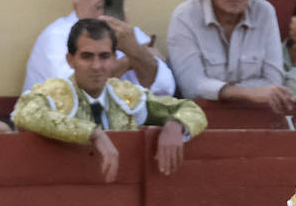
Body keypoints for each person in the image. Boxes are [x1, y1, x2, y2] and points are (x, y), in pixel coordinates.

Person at [14, 19, 207, 182]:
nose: (96, 66)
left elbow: (191, 110)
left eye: (104, 56)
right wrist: (92, 133)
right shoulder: (54, 93)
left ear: (114, 59)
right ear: (70, 60)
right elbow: (25, 112)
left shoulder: (126, 95)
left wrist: (175, 125)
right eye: (87, 57)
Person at [167, 0, 294, 113]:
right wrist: (249, 93)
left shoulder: (264, 13)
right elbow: (192, 86)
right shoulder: (185, 16)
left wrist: (221, 91)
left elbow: (273, 80)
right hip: (198, 117)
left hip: (253, 115)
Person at [23, 0, 174, 96]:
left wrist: (136, 52)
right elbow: (73, 90)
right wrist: (133, 56)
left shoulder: (131, 34)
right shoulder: (57, 35)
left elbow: (165, 88)